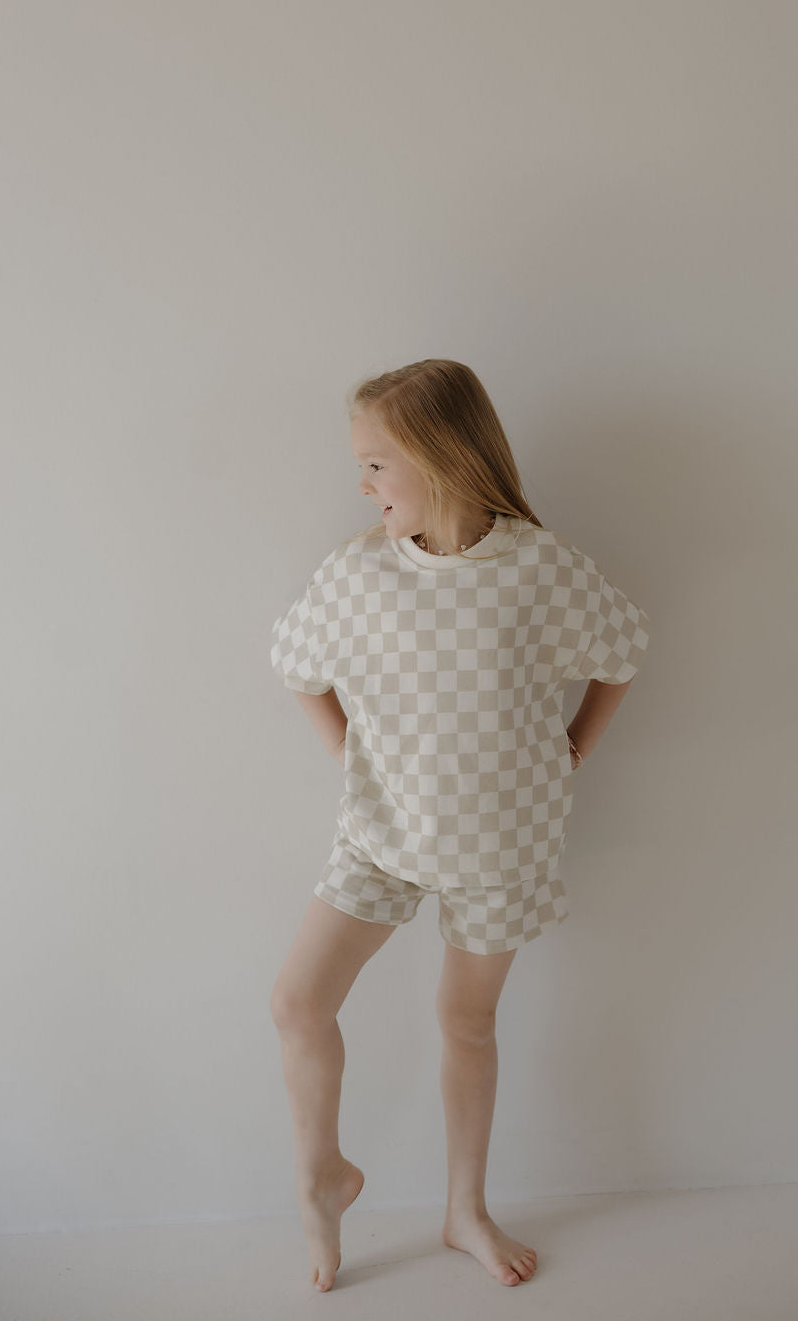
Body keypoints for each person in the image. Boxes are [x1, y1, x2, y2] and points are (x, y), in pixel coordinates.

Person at [268, 358, 650, 1293]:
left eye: (376, 465)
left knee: (465, 1021)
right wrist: (348, 757)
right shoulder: (359, 571)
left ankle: (464, 1209)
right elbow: (297, 669)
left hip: (503, 839)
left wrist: (573, 748)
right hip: (380, 832)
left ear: (442, 459)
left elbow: (623, 652)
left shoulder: (537, 565)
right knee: (297, 1003)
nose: (361, 487)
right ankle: (324, 1175)